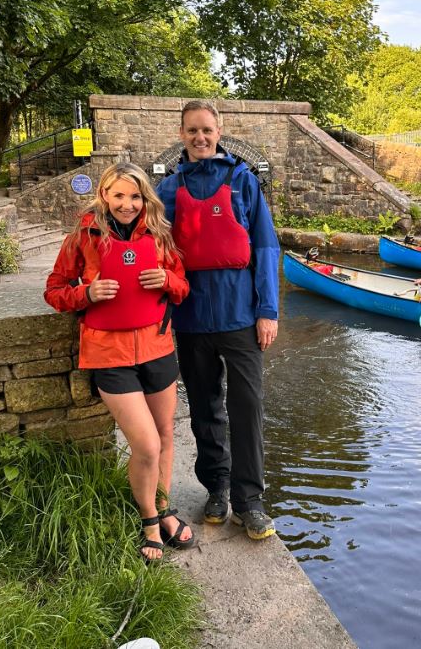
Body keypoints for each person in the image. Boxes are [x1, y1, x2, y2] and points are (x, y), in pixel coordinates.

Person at [44, 163, 194, 562]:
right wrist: (87, 293)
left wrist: (166, 280)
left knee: (164, 435)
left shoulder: (160, 234)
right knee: (144, 444)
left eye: (135, 196)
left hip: (157, 347)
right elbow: (55, 290)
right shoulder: (83, 236)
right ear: (104, 195)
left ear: (145, 198)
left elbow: (182, 287)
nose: (127, 205)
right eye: (119, 195)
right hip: (108, 353)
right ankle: (149, 520)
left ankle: (163, 508)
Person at [156, 99, 280, 541]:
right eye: (192, 131)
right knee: (205, 407)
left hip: (241, 315)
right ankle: (217, 488)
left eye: (206, 130)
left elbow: (266, 248)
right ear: (182, 134)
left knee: (246, 407)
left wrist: (268, 311)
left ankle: (250, 501)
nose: (200, 138)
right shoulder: (169, 189)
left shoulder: (243, 181)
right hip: (191, 317)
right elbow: (156, 249)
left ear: (219, 130)